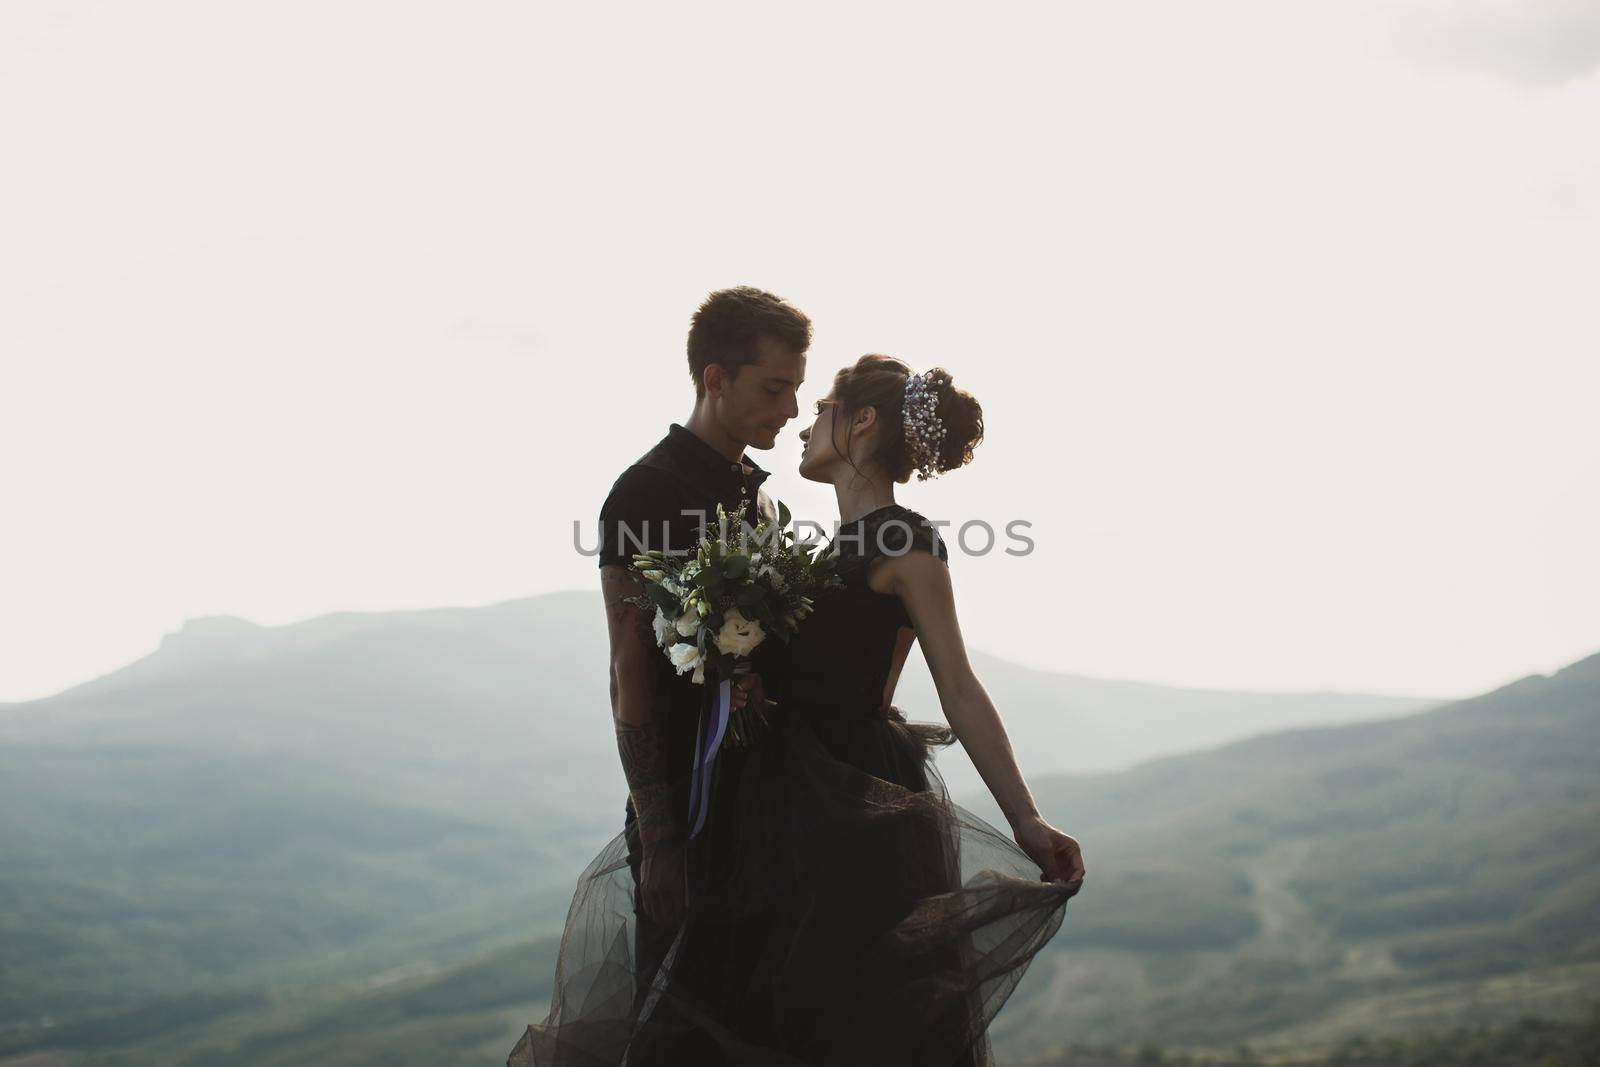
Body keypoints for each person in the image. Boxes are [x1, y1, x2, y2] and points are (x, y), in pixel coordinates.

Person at [509, 351, 1083, 1067]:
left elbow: (958, 686)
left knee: (833, 1023)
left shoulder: (905, 539)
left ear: (863, 422)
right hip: (762, 806)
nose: (806, 421)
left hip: (842, 806)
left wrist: (1024, 817)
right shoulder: (818, 550)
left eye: (823, 408)